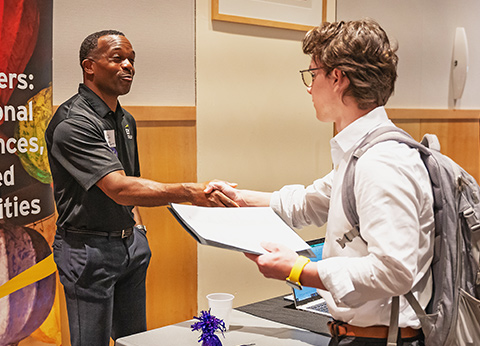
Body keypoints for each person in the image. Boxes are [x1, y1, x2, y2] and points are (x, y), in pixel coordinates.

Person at [207, 19, 434, 346]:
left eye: (313, 75)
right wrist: (236, 197)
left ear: (338, 78)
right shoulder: (361, 153)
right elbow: (307, 203)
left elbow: (393, 271)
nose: (310, 87)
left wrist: (298, 270)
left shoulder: (381, 162)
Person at [45, 30, 235, 346]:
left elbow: (132, 178)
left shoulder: (125, 120)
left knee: (136, 341)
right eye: (117, 58)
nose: (128, 66)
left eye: (132, 59)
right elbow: (118, 188)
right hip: (88, 251)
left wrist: (139, 236)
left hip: (129, 246)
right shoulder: (73, 121)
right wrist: (190, 193)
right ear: (89, 66)